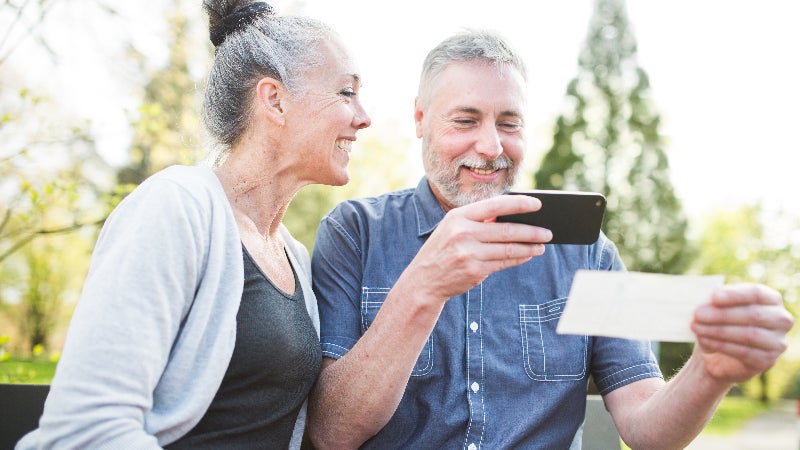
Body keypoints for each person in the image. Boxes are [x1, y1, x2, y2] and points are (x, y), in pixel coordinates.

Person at [307, 29, 793, 449]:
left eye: (510, 123)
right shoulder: (354, 234)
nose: (492, 146)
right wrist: (424, 288)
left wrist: (709, 372)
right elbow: (333, 435)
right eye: (466, 120)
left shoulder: (587, 253)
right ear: (419, 119)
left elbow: (646, 429)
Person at [16, 1, 370, 448]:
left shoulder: (294, 255)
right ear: (275, 100)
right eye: (346, 92)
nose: (364, 117)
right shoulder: (175, 207)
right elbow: (90, 427)